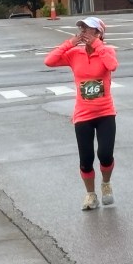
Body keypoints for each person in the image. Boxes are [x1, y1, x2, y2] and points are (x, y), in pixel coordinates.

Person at [44, 16, 118, 211]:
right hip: (83, 114)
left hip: (105, 112)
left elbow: (112, 66)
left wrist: (98, 45)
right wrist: (70, 43)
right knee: (86, 159)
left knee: (105, 154)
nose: (84, 33)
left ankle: (106, 184)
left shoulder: (106, 51)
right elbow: (49, 61)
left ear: (99, 33)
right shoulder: (74, 54)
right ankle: (91, 195)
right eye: (81, 29)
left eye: (88, 30)